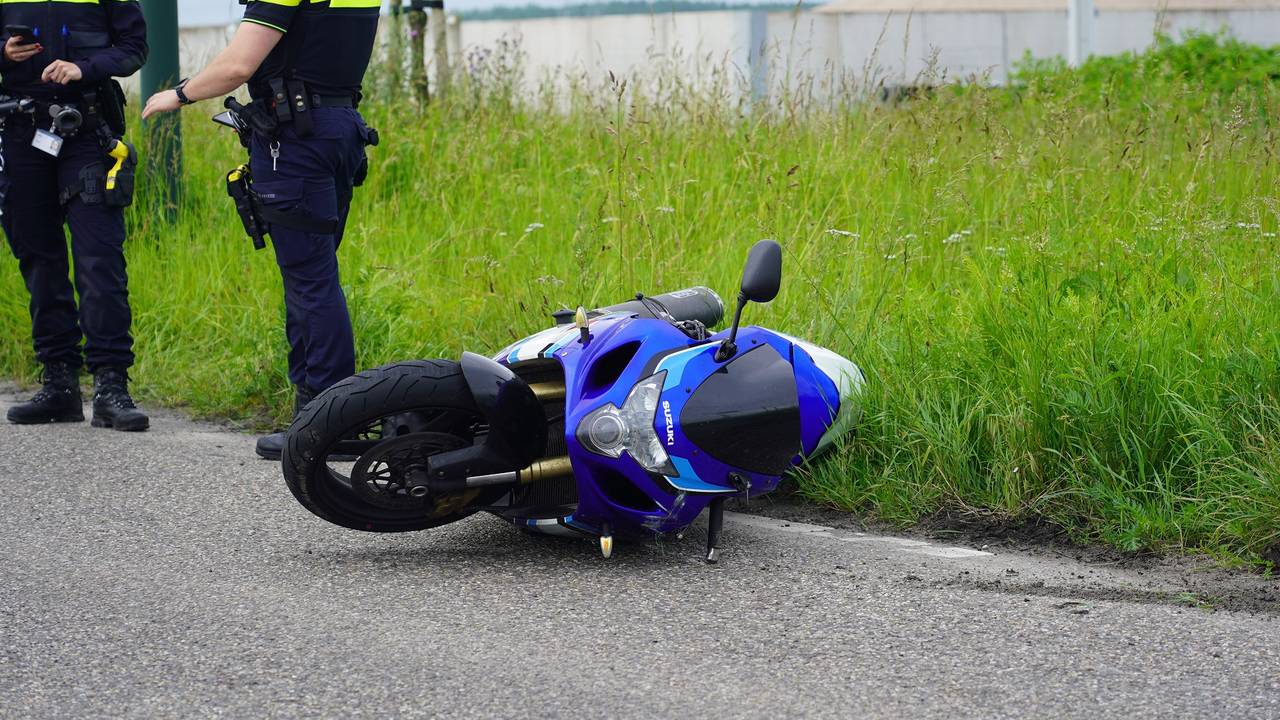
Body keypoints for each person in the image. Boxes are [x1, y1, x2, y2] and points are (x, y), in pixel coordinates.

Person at [143, 0, 380, 459]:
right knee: (312, 276)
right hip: (339, 128)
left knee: (311, 281)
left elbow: (237, 65)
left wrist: (179, 94)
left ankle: (329, 424)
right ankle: (312, 414)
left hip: (297, 141)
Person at [0, 0, 150, 431]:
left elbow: (135, 47)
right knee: (37, 256)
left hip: (87, 131)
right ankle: (60, 384)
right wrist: (4, 53)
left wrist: (84, 68)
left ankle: (111, 385)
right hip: (20, 133)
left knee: (99, 258)